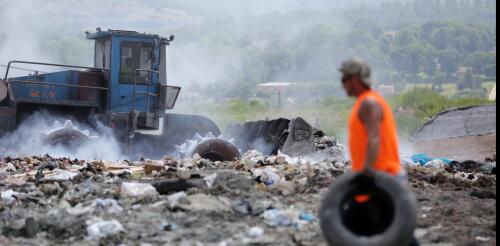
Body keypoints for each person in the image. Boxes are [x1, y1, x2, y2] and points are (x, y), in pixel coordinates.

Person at [339, 58, 419, 245]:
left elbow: (374, 138)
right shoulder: (365, 102)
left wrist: (367, 172)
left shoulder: (369, 103)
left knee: (396, 234)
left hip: (380, 181)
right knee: (351, 226)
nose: (342, 84)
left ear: (356, 79)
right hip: (373, 182)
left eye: (344, 79)